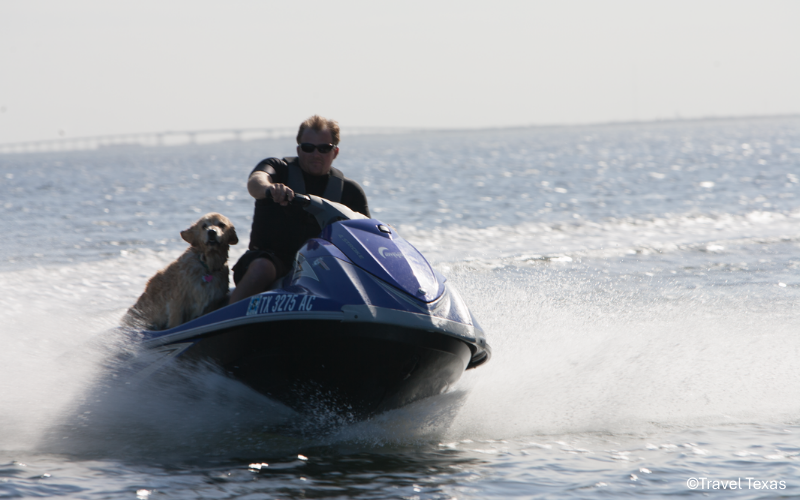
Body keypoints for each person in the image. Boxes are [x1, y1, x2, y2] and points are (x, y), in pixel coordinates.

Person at [229, 115, 370, 303]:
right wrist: (270, 189)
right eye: (308, 148)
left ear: (335, 152)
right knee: (262, 267)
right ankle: (227, 315)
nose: (316, 154)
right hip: (273, 262)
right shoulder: (278, 170)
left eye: (324, 148)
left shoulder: (350, 192)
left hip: (323, 267)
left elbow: (367, 239)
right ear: (298, 149)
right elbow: (255, 182)